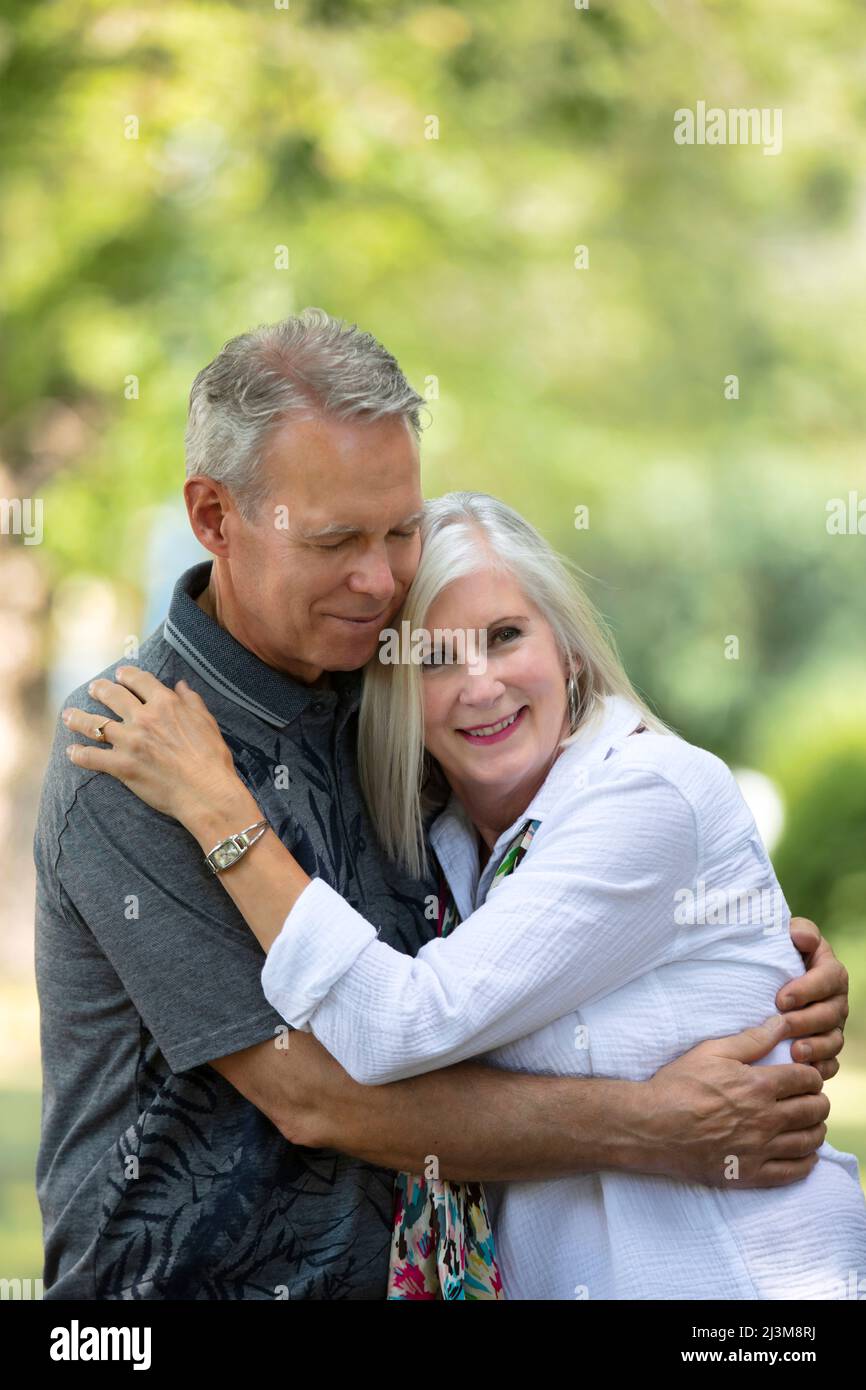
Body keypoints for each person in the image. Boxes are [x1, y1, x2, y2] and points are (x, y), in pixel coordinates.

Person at [63, 485, 864, 1300]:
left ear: (570, 652)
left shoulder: (648, 794)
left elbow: (401, 1024)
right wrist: (652, 1119)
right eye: (436, 659)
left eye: (507, 636)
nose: (479, 686)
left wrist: (222, 813)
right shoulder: (443, 848)